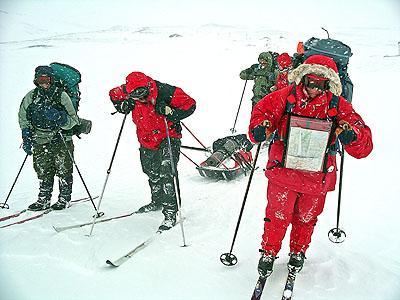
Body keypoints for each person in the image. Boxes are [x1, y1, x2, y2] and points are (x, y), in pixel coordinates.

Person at [248, 55, 373, 277]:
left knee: (306, 217)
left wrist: (352, 136)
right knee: (277, 215)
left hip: (317, 176)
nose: (314, 89)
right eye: (310, 82)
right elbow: (262, 113)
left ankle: (298, 251)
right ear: (302, 78)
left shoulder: (338, 105)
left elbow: (364, 144)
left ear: (330, 84)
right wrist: (260, 127)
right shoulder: (284, 97)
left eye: (321, 84)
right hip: (283, 171)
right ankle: (268, 252)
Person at [109, 71, 196, 231]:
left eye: (142, 93)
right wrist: (121, 106)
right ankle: (157, 201)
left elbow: (191, 104)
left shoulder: (165, 91)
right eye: (134, 96)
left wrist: (171, 113)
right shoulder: (127, 91)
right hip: (146, 139)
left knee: (166, 172)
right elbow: (113, 94)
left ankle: (170, 212)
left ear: (147, 86)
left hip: (168, 136)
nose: (140, 98)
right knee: (151, 171)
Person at [18, 66, 80, 211]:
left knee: (63, 169)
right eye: (41, 80)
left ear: (52, 80)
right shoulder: (31, 96)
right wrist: (26, 134)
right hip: (39, 139)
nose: (44, 83)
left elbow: (74, 120)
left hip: (61, 138)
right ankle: (43, 199)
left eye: (47, 79)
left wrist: (61, 118)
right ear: (36, 81)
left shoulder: (62, 96)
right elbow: (23, 116)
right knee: (42, 170)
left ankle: (64, 198)